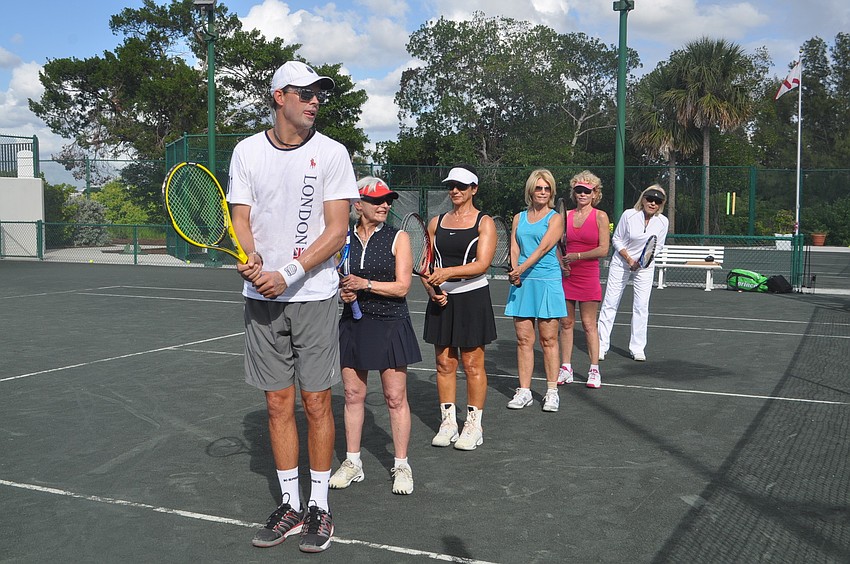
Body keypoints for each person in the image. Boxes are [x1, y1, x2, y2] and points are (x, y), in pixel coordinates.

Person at [228, 60, 359, 554]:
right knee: (277, 402)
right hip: (260, 299)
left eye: (319, 94)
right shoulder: (246, 152)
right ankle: (290, 505)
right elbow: (241, 216)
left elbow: (336, 230)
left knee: (316, 400)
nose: (315, 101)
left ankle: (320, 507)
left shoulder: (332, 153)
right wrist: (249, 255)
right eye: (305, 93)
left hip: (313, 295)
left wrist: (286, 273)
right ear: (279, 96)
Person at [329, 177, 421, 495]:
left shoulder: (399, 238)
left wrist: (363, 285)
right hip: (354, 324)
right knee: (353, 396)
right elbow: (337, 279)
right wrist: (344, 292)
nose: (385, 205)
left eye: (388, 200)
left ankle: (401, 465)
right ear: (359, 206)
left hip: (391, 324)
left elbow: (403, 287)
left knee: (395, 398)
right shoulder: (343, 240)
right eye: (377, 200)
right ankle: (353, 463)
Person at [422, 164, 497, 451]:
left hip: (472, 297)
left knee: (472, 364)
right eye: (451, 186)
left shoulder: (484, 222)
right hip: (441, 299)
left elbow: (481, 264)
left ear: (473, 190)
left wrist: (446, 274)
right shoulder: (435, 222)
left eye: (461, 186)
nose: (455, 191)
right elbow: (427, 266)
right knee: (444, 363)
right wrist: (432, 289)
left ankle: (473, 426)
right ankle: (448, 423)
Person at [503, 169, 567, 412]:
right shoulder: (518, 218)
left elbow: (542, 249)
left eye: (547, 188)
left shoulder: (555, 219)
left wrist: (519, 269)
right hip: (523, 283)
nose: (542, 192)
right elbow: (514, 246)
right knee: (523, 340)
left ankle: (552, 391)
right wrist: (514, 268)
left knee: (549, 339)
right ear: (531, 190)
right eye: (539, 188)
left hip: (547, 281)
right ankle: (525, 391)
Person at [598, 184, 669, 362]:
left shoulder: (663, 222)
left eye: (657, 200)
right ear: (643, 199)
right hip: (621, 263)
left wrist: (643, 261)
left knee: (641, 306)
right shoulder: (629, 215)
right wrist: (629, 259)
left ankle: (637, 348)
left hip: (645, 268)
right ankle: (601, 345)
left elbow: (657, 246)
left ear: (661, 203)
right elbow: (617, 239)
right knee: (610, 303)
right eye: (649, 199)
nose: (652, 203)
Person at [558, 171, 610, 389]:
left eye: (586, 191)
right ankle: (566, 368)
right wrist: (562, 262)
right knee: (566, 323)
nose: (582, 194)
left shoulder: (600, 216)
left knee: (589, 325)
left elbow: (603, 249)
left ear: (594, 193)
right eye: (578, 190)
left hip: (588, 276)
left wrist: (577, 256)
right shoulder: (565, 216)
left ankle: (594, 369)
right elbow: (556, 244)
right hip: (567, 276)